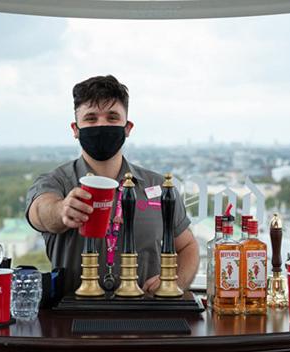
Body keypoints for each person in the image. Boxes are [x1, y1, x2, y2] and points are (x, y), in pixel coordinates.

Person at [25, 75, 199, 296]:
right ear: (75, 129)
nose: (102, 125)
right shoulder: (56, 182)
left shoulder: (159, 187)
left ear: (128, 127)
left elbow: (188, 247)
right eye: (91, 118)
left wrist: (174, 283)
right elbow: (40, 212)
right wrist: (62, 211)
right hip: (72, 321)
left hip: (149, 320)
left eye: (112, 117)